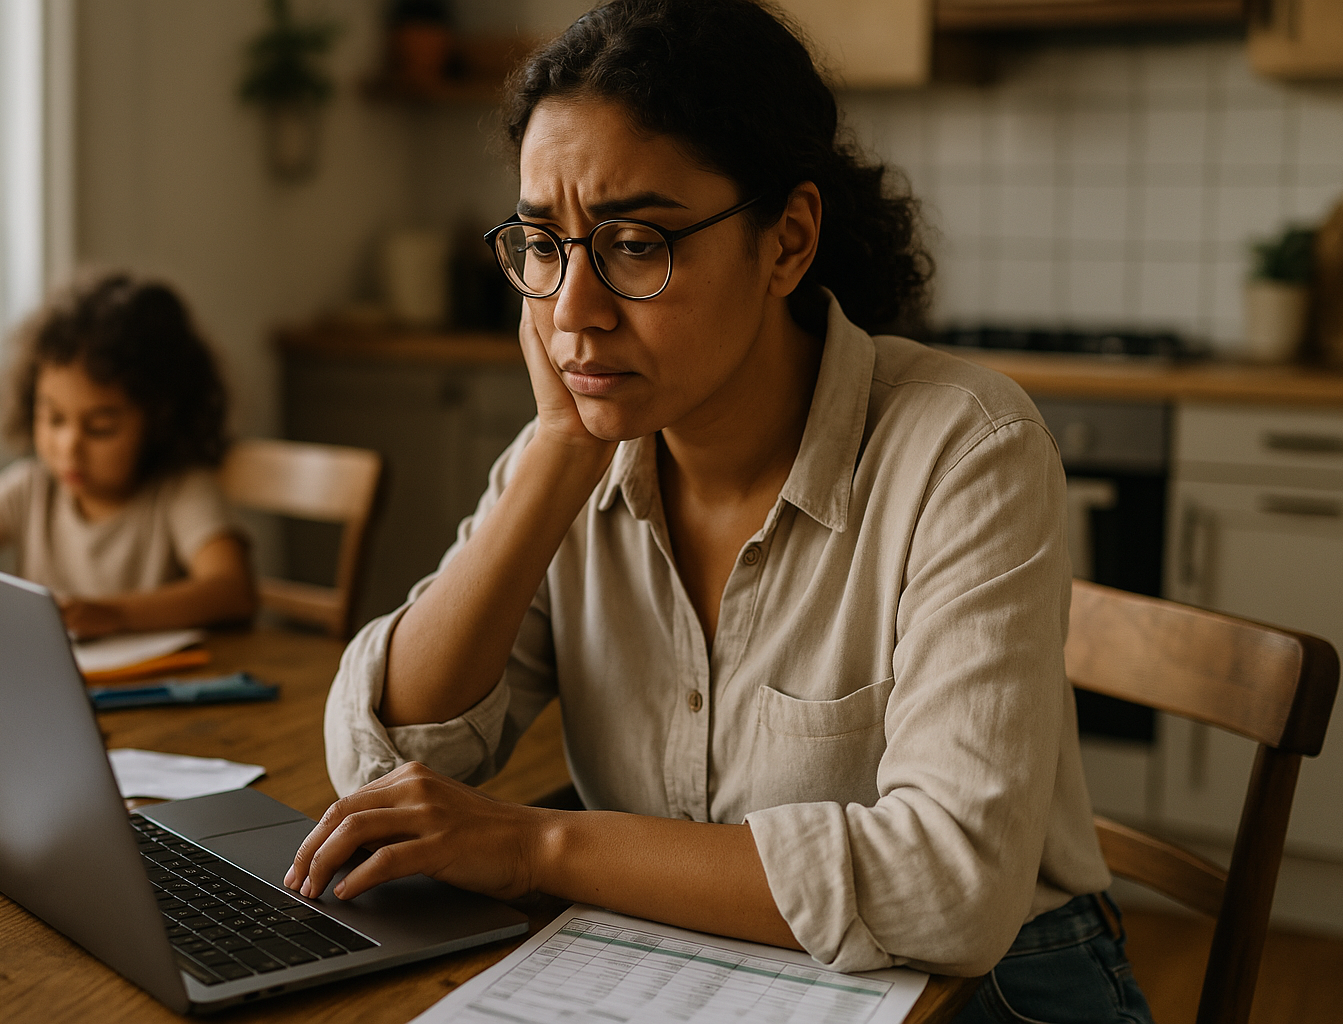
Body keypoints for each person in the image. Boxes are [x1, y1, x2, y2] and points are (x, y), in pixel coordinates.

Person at [290, 2, 1154, 1020]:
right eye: (541, 244)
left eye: (635, 243)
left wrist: (538, 843)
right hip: (685, 965)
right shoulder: (579, 452)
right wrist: (563, 454)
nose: (573, 312)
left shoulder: (966, 449)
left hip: (992, 991)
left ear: (786, 242)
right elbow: (388, 766)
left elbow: (951, 888)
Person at [0, 272, 256, 641]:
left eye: (100, 428)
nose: (69, 447)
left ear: (161, 419)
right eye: (53, 419)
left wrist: (113, 614)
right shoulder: (30, 488)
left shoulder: (180, 492)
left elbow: (232, 590)